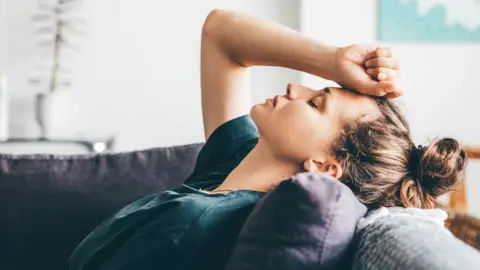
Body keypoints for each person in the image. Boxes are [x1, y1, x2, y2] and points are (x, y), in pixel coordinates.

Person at [69, 9, 467, 270]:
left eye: (315, 104)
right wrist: (332, 60)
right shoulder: (235, 164)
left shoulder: (196, 223)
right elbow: (220, 33)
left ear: (325, 166)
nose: (295, 86)